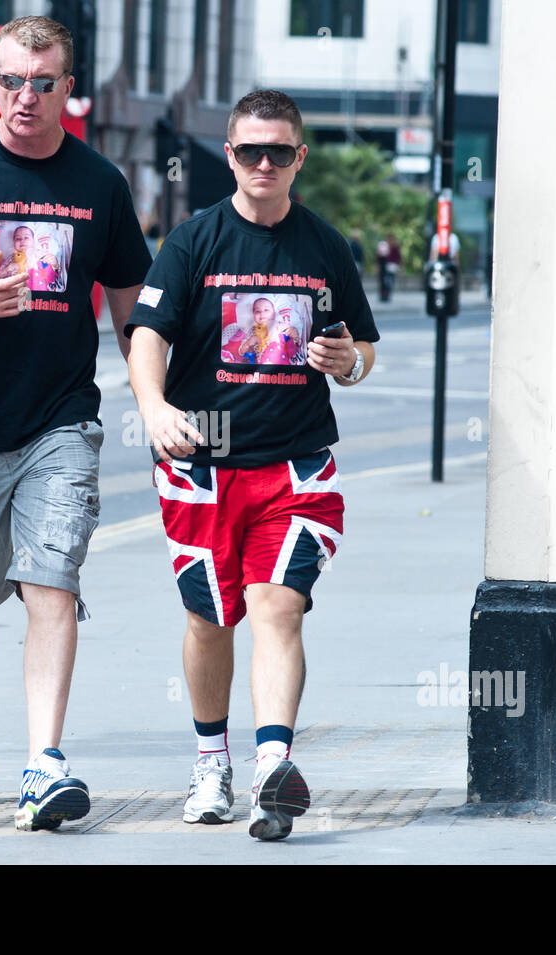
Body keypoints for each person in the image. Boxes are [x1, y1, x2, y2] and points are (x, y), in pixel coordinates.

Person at [0, 15, 152, 832]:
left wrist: (158, 405)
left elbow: (133, 315)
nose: (25, 96)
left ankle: (44, 761)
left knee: (51, 581)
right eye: (12, 80)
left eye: (42, 83)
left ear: (67, 87)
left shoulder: (100, 184)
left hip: (61, 425)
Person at [125, 89, 379, 841]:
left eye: (278, 151)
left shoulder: (325, 246)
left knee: (277, 605)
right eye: (248, 151)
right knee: (210, 618)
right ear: (230, 155)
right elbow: (147, 335)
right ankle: (213, 761)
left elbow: (360, 345)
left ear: (299, 157)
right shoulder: (194, 240)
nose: (263, 164)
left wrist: (349, 362)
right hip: (201, 464)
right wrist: (153, 408)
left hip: (295, 469)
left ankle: (275, 767)